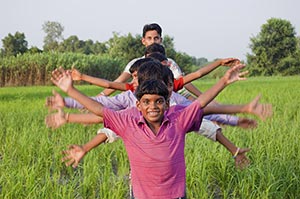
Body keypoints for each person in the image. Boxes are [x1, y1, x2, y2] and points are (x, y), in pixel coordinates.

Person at [50, 62, 248, 199]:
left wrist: (224, 81)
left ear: (167, 103)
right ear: (138, 104)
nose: (153, 106)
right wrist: (70, 90)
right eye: (146, 102)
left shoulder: (178, 119)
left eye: (158, 101)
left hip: (175, 195)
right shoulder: (127, 121)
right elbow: (99, 109)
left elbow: (202, 103)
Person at [99, 23, 202, 100]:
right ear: (143, 41)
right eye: (149, 38)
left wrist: (201, 96)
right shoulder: (136, 63)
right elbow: (118, 82)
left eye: (156, 38)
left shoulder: (169, 63)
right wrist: (101, 96)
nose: (153, 41)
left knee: (196, 105)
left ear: (160, 40)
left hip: (170, 94)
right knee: (122, 99)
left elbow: (183, 81)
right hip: (143, 94)